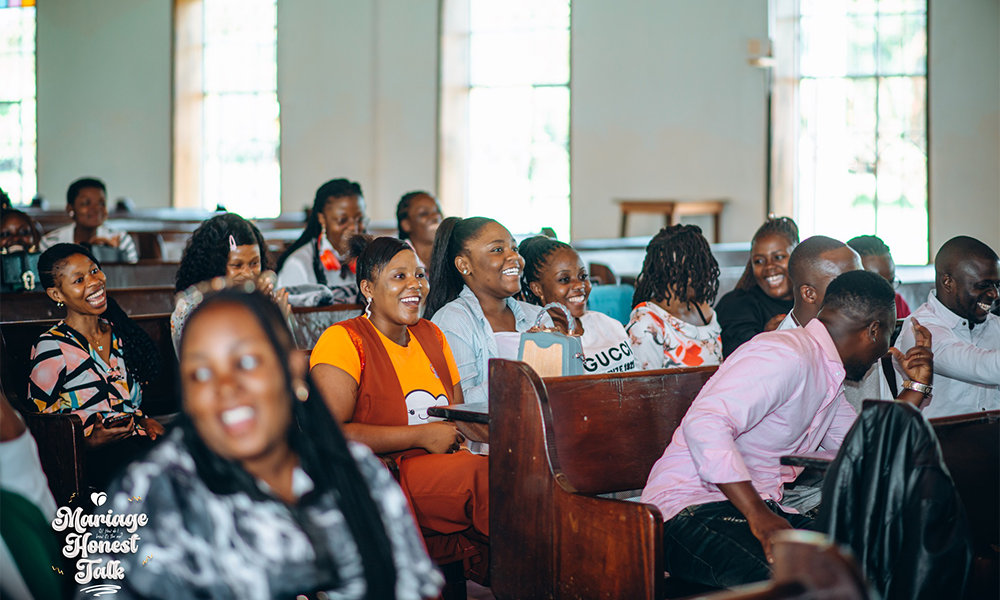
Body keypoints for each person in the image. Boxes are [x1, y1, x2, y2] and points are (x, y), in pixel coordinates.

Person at [80, 286, 442, 599]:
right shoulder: (145, 493)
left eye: (247, 362)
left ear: (291, 370)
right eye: (201, 373)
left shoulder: (357, 471)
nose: (225, 388)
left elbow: (405, 585)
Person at [640, 270, 934, 589]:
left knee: (875, 563)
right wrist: (758, 514)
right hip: (688, 508)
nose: (882, 353)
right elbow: (705, 422)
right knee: (811, 584)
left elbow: (865, 445)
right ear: (873, 330)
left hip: (755, 508)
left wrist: (916, 387)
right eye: (888, 338)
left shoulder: (826, 374)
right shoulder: (785, 353)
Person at [311, 234, 489, 582]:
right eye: (399, 276)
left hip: (443, 466)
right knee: (484, 480)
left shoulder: (432, 335)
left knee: (518, 471)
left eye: (420, 275)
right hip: (386, 476)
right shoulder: (344, 339)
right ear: (368, 288)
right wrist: (421, 435)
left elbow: (455, 414)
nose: (415, 285)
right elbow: (328, 433)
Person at [29, 244, 164, 487]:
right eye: (79, 279)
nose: (94, 282)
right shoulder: (52, 346)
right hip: (87, 457)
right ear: (57, 295)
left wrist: (144, 420)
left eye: (94, 271)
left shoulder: (121, 334)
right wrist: (88, 441)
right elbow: (41, 422)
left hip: (134, 441)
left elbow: (126, 400)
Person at [425, 217, 543, 405]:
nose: (515, 257)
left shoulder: (538, 316)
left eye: (515, 248)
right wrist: (519, 369)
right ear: (464, 265)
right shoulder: (452, 321)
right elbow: (461, 404)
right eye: (497, 250)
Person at [895, 236, 999, 417]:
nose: (995, 294)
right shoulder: (919, 330)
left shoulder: (994, 324)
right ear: (947, 282)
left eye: (997, 285)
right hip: (937, 441)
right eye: (983, 285)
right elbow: (983, 366)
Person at [171, 213, 287, 354]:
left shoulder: (266, 298)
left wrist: (277, 317)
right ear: (216, 267)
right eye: (237, 265)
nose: (248, 274)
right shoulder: (189, 310)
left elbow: (284, 360)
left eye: (254, 263)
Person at [519, 235, 635, 374]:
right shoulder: (539, 345)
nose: (580, 285)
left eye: (583, 276)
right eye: (564, 279)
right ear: (537, 289)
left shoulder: (606, 324)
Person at [626, 225, 722, 370]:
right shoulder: (646, 325)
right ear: (664, 270)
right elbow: (644, 389)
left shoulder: (703, 310)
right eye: (689, 269)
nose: (702, 275)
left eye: (701, 266)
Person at [716, 216, 799, 358]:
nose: (769, 267)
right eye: (759, 261)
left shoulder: (811, 300)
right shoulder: (738, 305)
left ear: (797, 255)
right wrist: (765, 337)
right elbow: (736, 360)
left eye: (778, 257)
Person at [277, 178, 367, 302]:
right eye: (342, 220)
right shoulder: (298, 265)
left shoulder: (369, 259)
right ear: (322, 219)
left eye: (359, 219)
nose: (354, 228)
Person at [39, 178, 138, 263]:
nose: (96, 209)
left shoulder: (121, 240)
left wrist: (112, 252)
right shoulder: (50, 243)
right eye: (86, 203)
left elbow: (131, 276)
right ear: (70, 208)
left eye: (101, 203)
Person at [847, 234, 911, 318]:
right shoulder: (837, 312)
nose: (889, 293)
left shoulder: (898, 303)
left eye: (891, 282)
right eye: (877, 286)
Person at [397, 191, 443, 269]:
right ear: (407, 225)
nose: (435, 216)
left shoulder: (451, 255)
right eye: (424, 213)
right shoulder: (397, 260)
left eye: (437, 211)